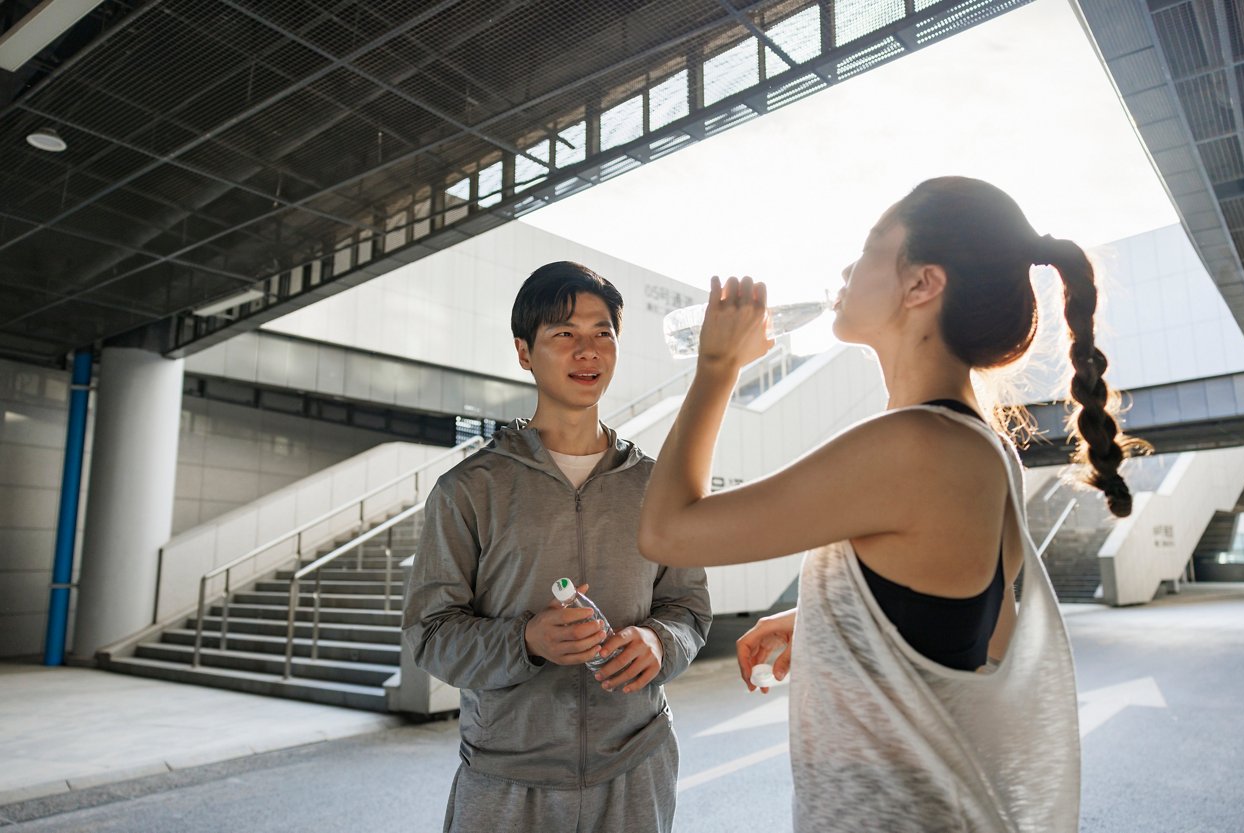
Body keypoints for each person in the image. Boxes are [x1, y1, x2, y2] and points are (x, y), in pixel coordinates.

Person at [638, 177, 1142, 832]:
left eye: (872, 244)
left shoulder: (910, 446)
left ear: (920, 284)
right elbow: (979, 635)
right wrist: (833, 614)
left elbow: (666, 531)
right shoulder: (986, 450)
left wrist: (716, 366)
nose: (848, 267)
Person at [403, 260, 712, 833]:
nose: (587, 351)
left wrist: (658, 640)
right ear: (524, 351)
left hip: (635, 768)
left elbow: (690, 609)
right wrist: (526, 638)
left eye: (602, 334)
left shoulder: (655, 484)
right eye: (564, 334)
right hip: (506, 777)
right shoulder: (469, 490)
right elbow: (430, 633)